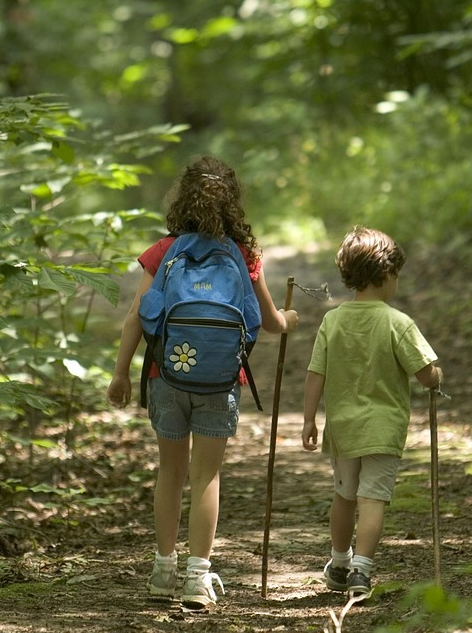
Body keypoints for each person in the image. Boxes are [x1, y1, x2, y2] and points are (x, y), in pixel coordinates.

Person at [107, 156, 299, 609]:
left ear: (182, 198)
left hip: (165, 375)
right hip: (219, 381)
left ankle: (162, 570)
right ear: (233, 202)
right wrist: (289, 318)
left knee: (170, 472)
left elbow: (138, 314)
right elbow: (271, 322)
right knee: (206, 475)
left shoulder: (163, 250)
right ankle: (198, 577)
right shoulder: (244, 254)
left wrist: (120, 373)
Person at [301, 226, 442, 601]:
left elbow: (316, 372)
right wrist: (437, 376)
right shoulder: (398, 323)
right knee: (373, 499)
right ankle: (362, 570)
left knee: (344, 495)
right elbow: (426, 373)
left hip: (344, 428)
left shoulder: (333, 321)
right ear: (386, 274)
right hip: (383, 429)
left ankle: (339, 562)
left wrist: (308, 419)